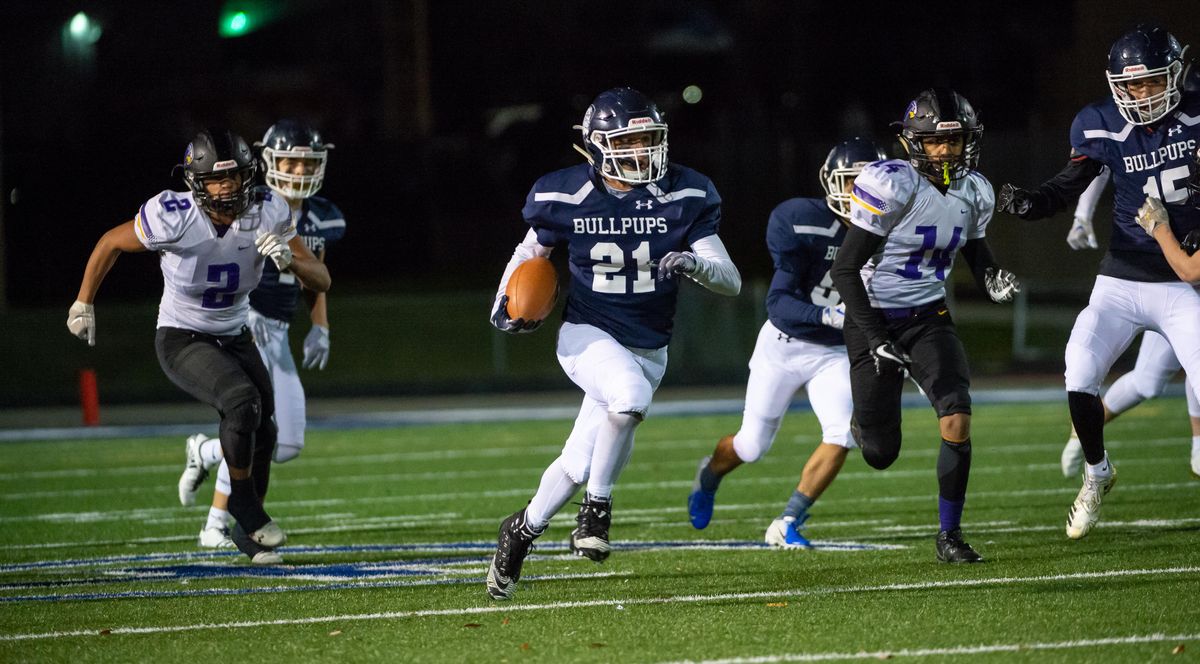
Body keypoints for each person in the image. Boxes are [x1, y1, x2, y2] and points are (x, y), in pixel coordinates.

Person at [485, 87, 741, 600]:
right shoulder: (564, 194)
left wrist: (695, 264)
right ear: (598, 144)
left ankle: (520, 530)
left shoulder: (685, 193)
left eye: (650, 138)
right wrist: (503, 303)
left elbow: (730, 280)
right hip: (587, 334)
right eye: (631, 140)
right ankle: (596, 515)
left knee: (579, 462)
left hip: (650, 347)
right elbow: (530, 251)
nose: (644, 150)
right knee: (627, 398)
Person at [67, 128, 331, 563]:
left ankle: (250, 531)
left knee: (265, 429)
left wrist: (292, 261)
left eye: (233, 177)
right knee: (241, 402)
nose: (225, 188)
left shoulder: (268, 210)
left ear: (250, 175)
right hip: (182, 336)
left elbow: (322, 280)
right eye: (214, 179)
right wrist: (83, 301)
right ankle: (243, 507)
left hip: (234, 333)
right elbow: (110, 242)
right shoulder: (173, 214)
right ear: (196, 183)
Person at [997, 24, 1200, 537]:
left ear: (1176, 76)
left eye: (1152, 83)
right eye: (1131, 86)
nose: (1141, 94)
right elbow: (1072, 183)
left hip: (1184, 284)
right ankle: (1097, 472)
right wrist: (1033, 203)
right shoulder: (1101, 123)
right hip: (1124, 275)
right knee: (1079, 369)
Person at [829, 88, 1020, 563]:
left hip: (928, 314)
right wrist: (875, 339)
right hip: (872, 315)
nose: (944, 151)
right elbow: (845, 269)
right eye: (934, 142)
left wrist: (991, 274)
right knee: (879, 451)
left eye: (953, 142)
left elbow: (975, 247)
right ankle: (865, 418)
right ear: (914, 142)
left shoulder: (974, 189)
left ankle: (949, 536)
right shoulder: (894, 184)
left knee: (956, 415)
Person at [686, 138, 886, 548]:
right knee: (752, 446)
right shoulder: (802, 220)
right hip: (785, 343)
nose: (860, 195)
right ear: (832, 183)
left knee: (842, 433)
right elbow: (779, 305)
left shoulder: (894, 232)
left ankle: (788, 519)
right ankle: (709, 474)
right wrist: (832, 315)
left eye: (870, 185)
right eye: (852, 183)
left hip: (834, 352)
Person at [176, 120, 345, 549]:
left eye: (308, 163)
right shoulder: (251, 207)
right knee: (247, 422)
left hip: (281, 330)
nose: (300, 172)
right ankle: (218, 522)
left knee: (285, 443)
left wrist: (320, 326)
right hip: (245, 322)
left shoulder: (321, 216)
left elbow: (315, 277)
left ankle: (207, 453)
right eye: (291, 161)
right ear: (267, 161)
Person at [1058, 170, 1200, 479]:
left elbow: (1190, 269)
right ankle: (1081, 428)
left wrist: (1160, 229)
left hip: (1186, 286)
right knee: (1147, 381)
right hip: (1178, 294)